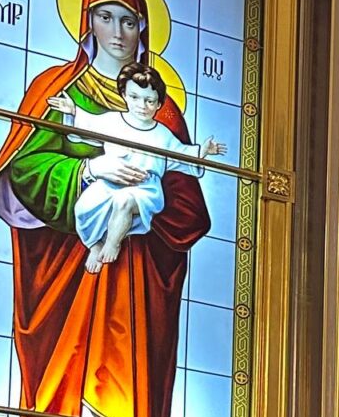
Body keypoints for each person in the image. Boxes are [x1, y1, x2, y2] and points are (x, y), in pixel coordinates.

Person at [0, 0, 216, 417]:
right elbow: (23, 172)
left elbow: (189, 207)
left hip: (136, 294)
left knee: (126, 413)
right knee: (71, 407)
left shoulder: (164, 113)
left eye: (129, 20)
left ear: (144, 32)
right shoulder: (56, 91)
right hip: (68, 289)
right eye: (105, 17)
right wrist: (88, 174)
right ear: (86, 24)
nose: (118, 31)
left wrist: (148, 201)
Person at [72, 63, 226, 274]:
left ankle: (112, 243)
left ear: (159, 104)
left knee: (124, 201)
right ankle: (94, 245)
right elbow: (89, 125)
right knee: (84, 206)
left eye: (149, 101)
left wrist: (203, 151)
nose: (141, 105)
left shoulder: (162, 134)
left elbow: (182, 153)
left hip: (145, 189)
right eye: (134, 97)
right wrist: (73, 110)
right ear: (124, 95)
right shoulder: (112, 121)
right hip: (110, 183)